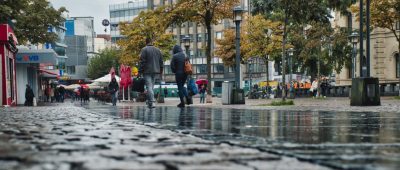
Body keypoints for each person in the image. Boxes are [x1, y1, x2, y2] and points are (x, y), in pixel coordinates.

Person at [139, 37, 164, 109]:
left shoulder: (144, 49)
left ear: (146, 42)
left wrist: (140, 71)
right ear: (151, 42)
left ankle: (152, 102)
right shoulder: (158, 50)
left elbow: (142, 62)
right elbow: (161, 62)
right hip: (156, 71)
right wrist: (161, 72)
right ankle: (150, 101)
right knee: (151, 87)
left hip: (147, 71)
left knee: (149, 87)